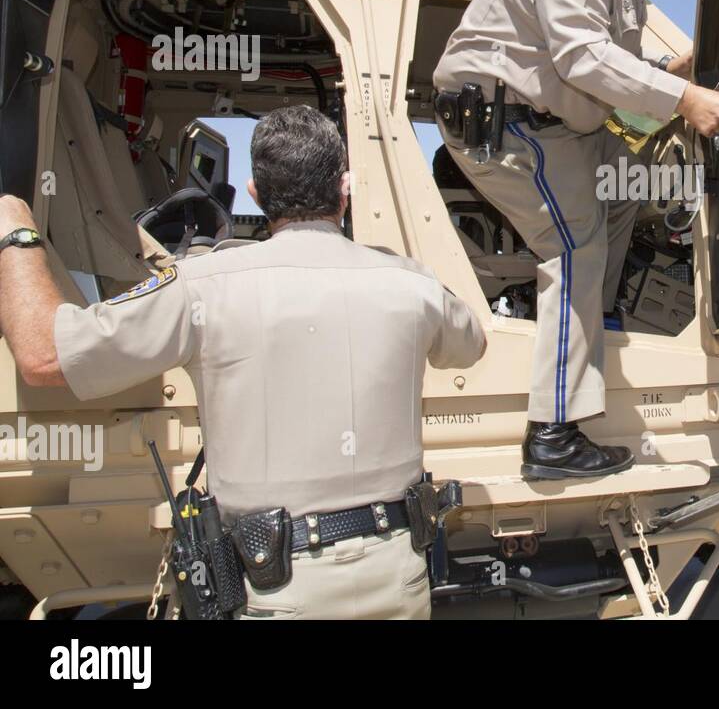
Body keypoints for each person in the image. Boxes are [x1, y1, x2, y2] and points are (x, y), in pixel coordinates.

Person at [0, 105, 486, 619]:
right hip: (401, 578)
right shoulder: (412, 284)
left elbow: (44, 355)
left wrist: (17, 232)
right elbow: (471, 344)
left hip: (277, 589)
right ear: (344, 190)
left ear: (254, 192)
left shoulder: (201, 286)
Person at [432, 0, 719, 480]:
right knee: (574, 246)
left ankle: (595, 328)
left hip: (556, 125)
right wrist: (686, 100)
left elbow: (616, 70)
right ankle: (552, 436)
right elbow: (581, 58)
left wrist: (677, 71)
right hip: (508, 124)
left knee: (628, 189)